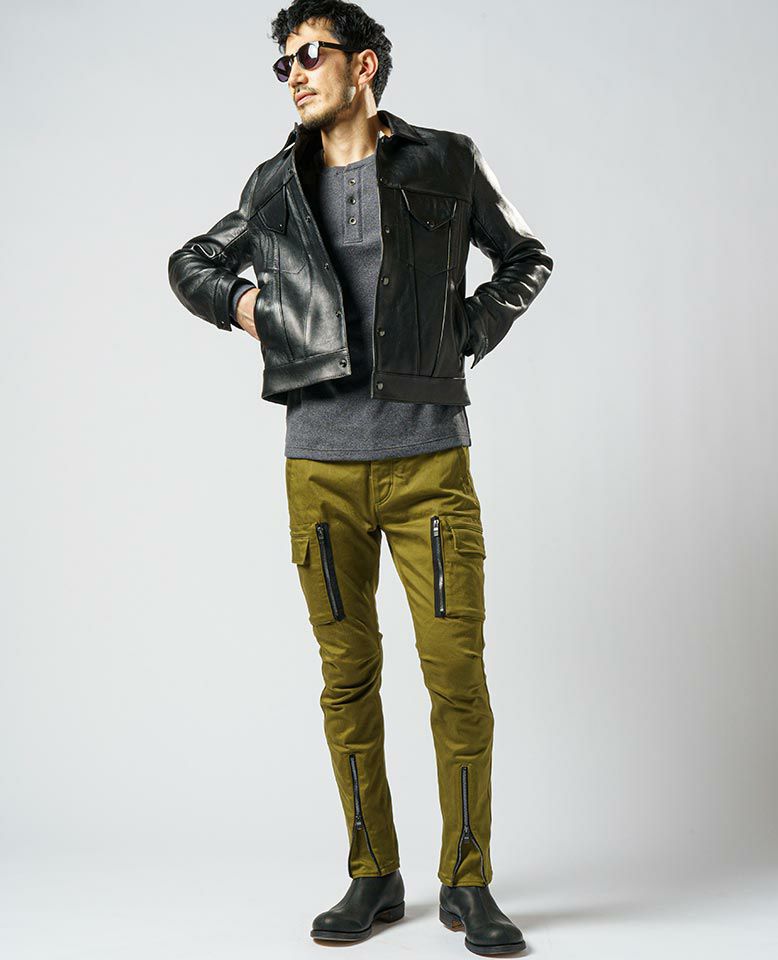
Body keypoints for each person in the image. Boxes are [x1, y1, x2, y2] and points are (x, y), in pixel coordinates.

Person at [167, 2, 553, 954]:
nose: (295, 75)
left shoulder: (445, 160)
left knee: (455, 676)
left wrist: (465, 331)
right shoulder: (274, 186)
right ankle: (372, 872)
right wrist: (245, 304)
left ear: (364, 64)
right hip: (320, 470)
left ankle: (468, 881)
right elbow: (192, 262)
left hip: (429, 465)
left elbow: (525, 256)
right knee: (347, 679)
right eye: (284, 64)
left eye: (310, 55)